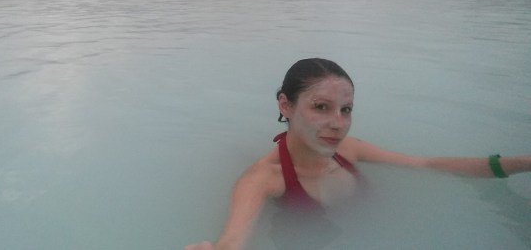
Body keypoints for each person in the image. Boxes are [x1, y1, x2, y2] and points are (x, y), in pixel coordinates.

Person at [186, 58, 531, 250]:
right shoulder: (262, 179)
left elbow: (429, 165)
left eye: (346, 110)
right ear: (285, 105)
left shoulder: (348, 150)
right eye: (321, 107)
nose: (338, 124)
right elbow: (233, 240)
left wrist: (520, 163)